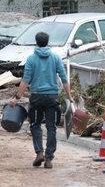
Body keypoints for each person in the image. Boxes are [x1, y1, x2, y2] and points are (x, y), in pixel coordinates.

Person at [10, 32, 74, 169]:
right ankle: (49, 158)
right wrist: (69, 95)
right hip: (52, 98)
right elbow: (64, 79)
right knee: (51, 127)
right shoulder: (56, 58)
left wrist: (17, 98)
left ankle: (39, 152)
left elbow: (25, 81)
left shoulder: (31, 59)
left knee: (35, 125)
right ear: (48, 42)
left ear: (36, 42)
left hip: (37, 98)